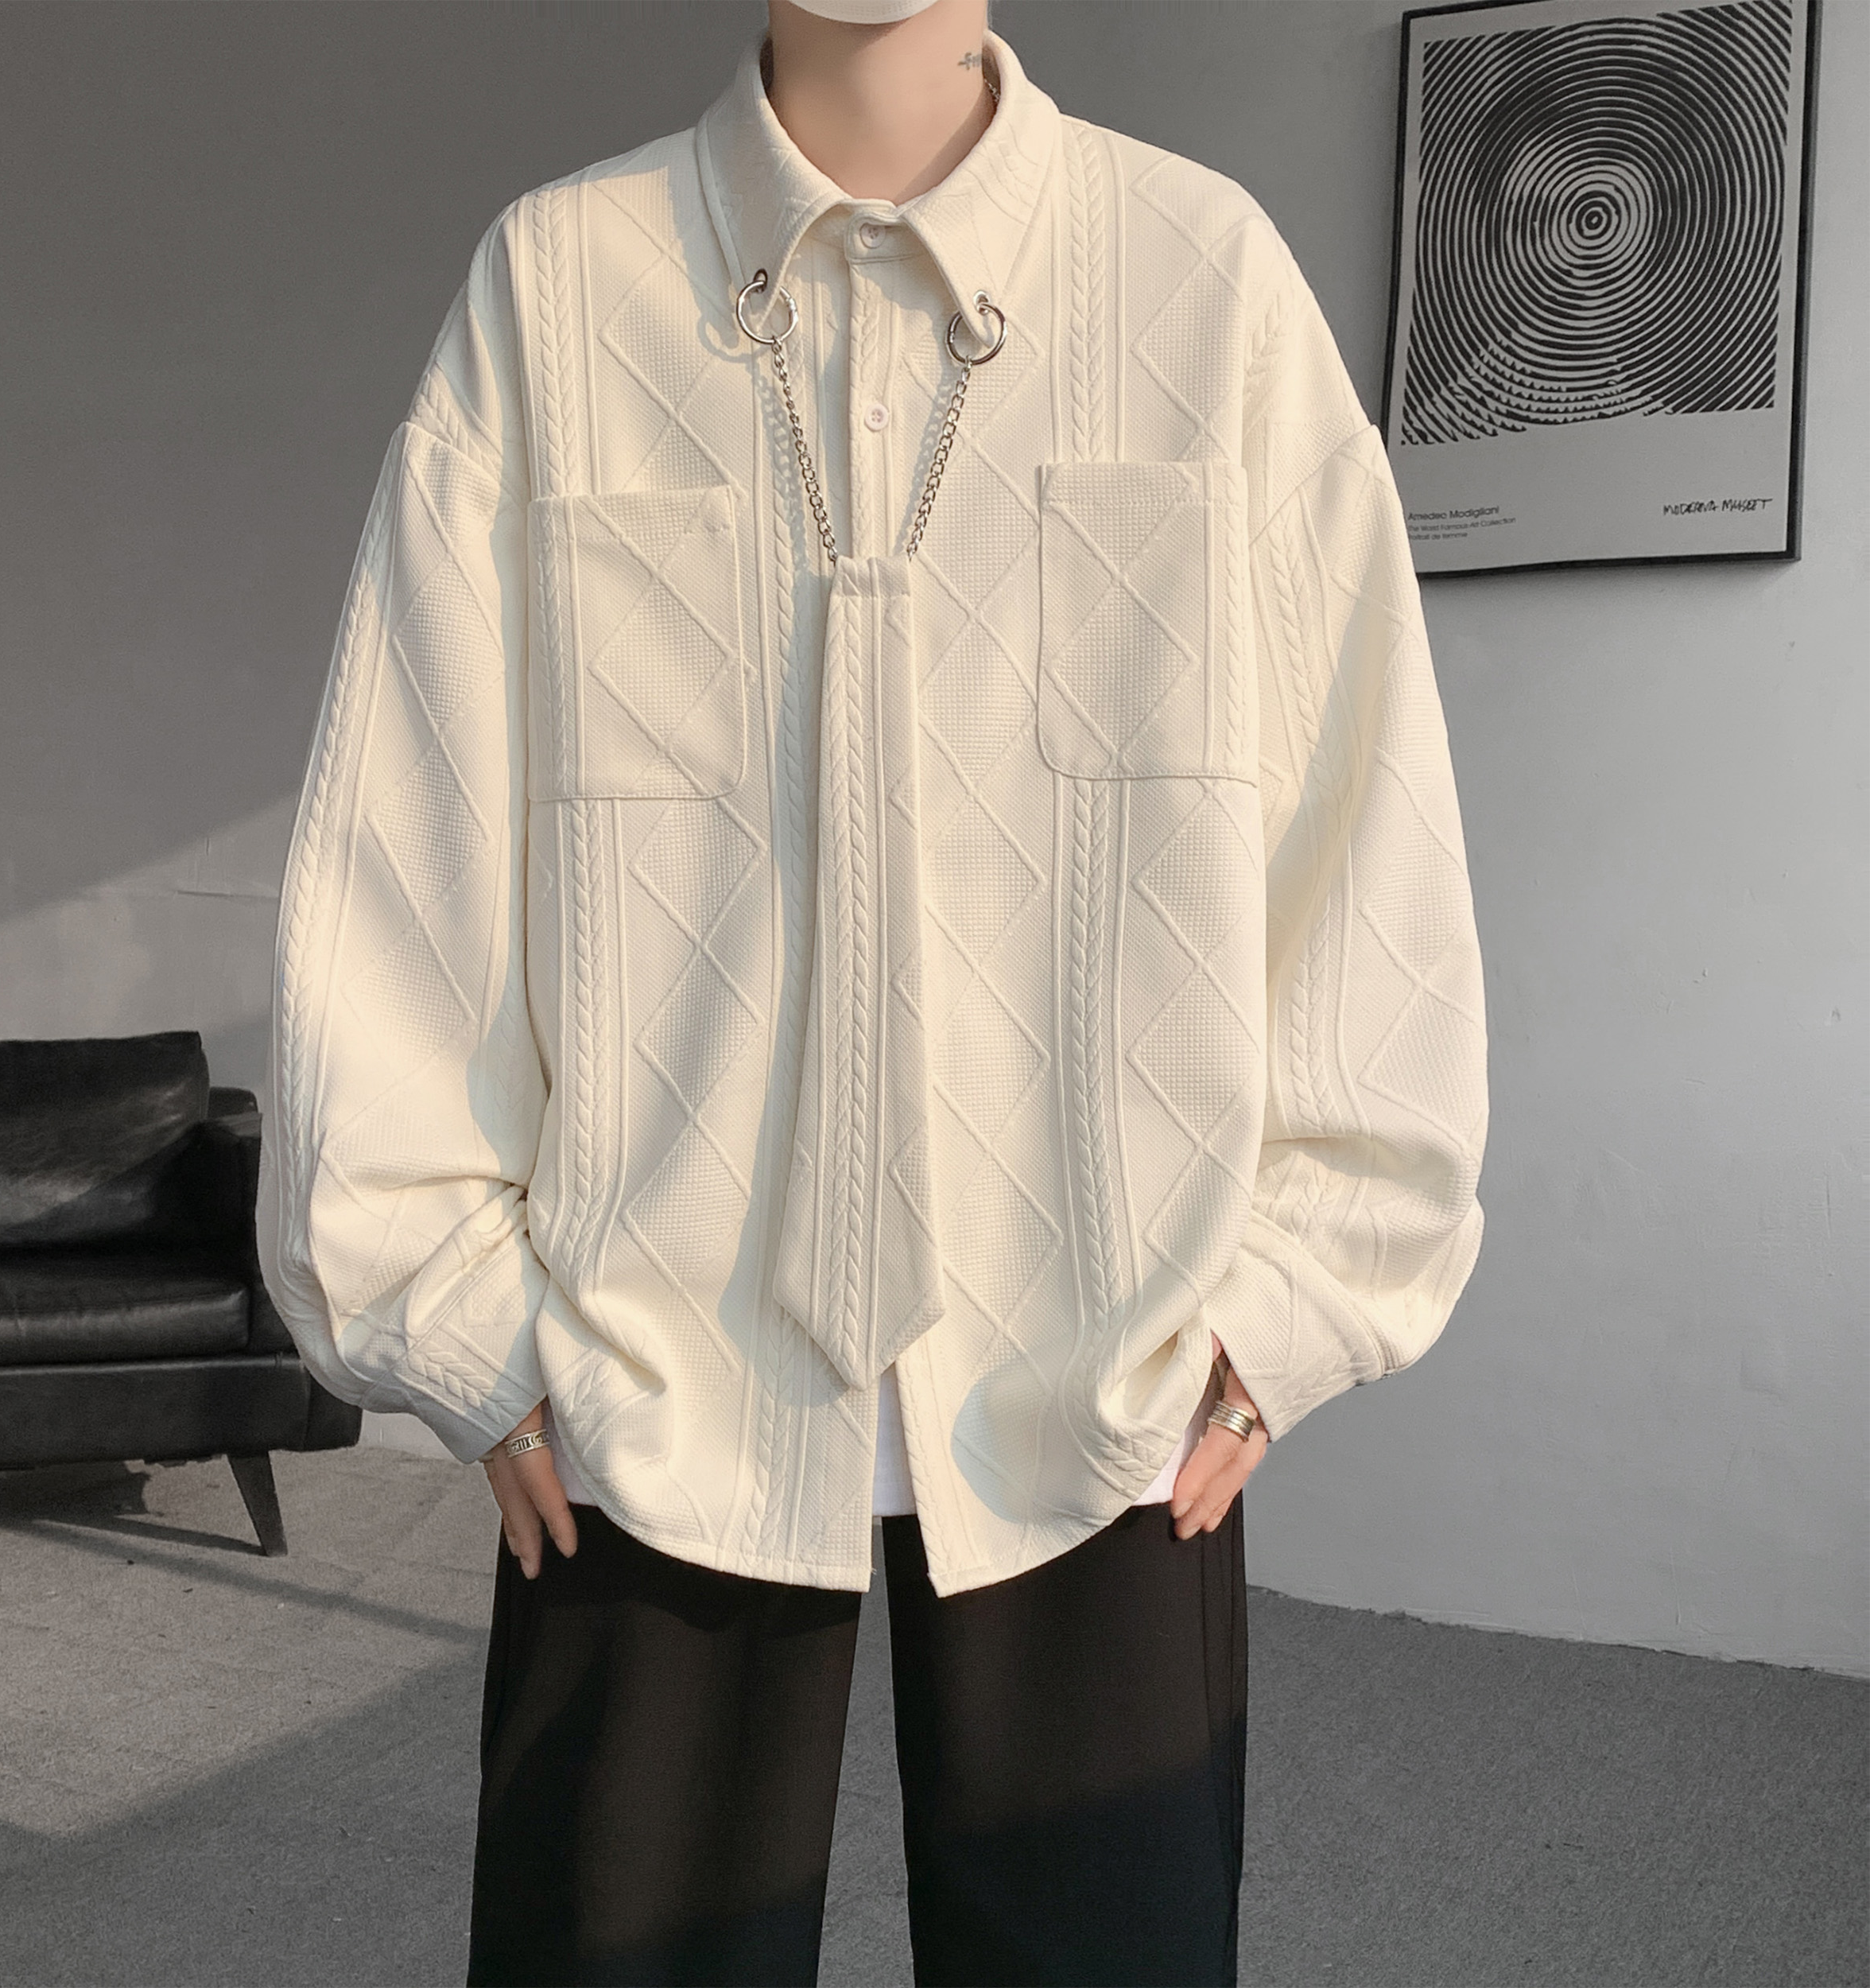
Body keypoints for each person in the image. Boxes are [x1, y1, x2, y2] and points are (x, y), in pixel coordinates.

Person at [258, 0, 1489, 1980]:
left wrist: (1300, 1287)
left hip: (1109, 1351)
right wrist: (453, 1304)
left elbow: (1362, 812)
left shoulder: (1201, 279)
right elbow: (412, 825)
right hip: (644, 1359)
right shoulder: (560, 286)